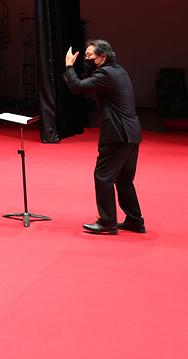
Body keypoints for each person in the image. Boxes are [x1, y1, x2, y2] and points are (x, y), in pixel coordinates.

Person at [64, 41, 145, 235]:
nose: (87, 59)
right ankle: (134, 221)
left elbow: (77, 86)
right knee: (124, 181)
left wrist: (68, 66)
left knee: (103, 176)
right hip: (131, 134)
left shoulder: (105, 74)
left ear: (103, 57)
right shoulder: (117, 70)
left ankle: (107, 222)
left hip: (118, 135)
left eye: (90, 56)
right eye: (86, 55)